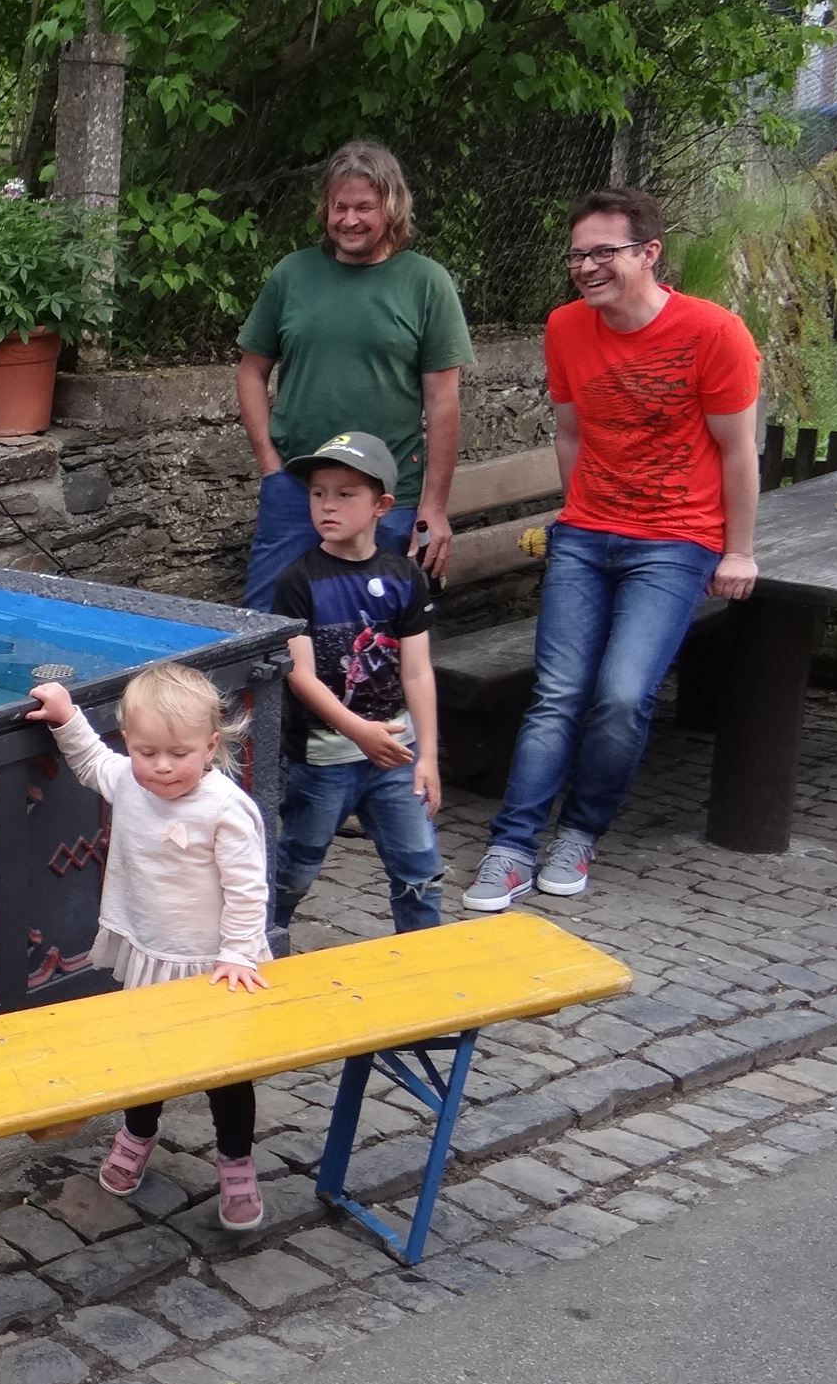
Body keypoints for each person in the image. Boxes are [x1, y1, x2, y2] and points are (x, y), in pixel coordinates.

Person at [463, 187, 760, 911]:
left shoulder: (714, 333)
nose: (586, 267)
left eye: (604, 252)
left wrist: (739, 551)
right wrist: (576, 518)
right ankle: (511, 846)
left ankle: (581, 832)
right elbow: (569, 432)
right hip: (586, 535)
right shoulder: (566, 327)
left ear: (649, 252)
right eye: (577, 255)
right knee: (558, 693)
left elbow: (738, 451)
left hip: (676, 540)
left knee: (623, 696)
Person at [25, 662, 273, 1230]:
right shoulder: (129, 782)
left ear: (210, 745)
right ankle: (138, 1134)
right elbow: (92, 760)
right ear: (129, 743)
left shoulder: (225, 807)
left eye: (178, 753)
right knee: (145, 1057)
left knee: (227, 1072)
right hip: (152, 952)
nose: (161, 766)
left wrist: (238, 953)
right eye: (146, 751)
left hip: (214, 964)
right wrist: (65, 717)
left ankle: (236, 1160)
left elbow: (247, 887)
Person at [236, 141, 474, 611]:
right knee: (267, 627)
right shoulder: (293, 274)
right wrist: (270, 467)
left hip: (386, 499)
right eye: (339, 207)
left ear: (393, 207)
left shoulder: (427, 283)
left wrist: (433, 506)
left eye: (364, 207)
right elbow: (250, 372)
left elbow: (443, 402)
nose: (349, 220)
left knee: (374, 633)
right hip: (297, 489)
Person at [267, 431, 444, 945]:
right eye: (318, 493)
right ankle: (259, 947)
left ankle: (426, 965)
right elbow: (298, 674)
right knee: (295, 868)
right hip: (322, 762)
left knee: (420, 868)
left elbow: (417, 672)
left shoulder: (405, 576)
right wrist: (357, 731)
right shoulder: (298, 580)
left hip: (396, 757)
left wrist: (428, 756)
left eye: (345, 494)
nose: (328, 505)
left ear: (380, 506)